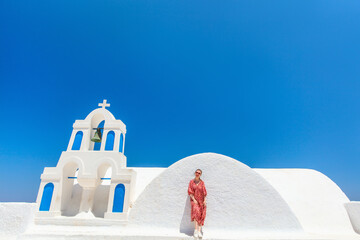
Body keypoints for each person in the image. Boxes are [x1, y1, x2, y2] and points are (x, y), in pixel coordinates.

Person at [188, 169, 207, 238]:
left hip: (201, 201)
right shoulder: (191, 182)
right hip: (194, 200)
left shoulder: (202, 183)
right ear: (195, 173)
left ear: (200, 174)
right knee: (196, 213)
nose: (197, 173)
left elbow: (204, 192)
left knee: (201, 215)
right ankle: (195, 230)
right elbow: (190, 191)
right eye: (196, 172)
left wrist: (204, 200)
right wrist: (194, 199)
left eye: (199, 173)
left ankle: (199, 231)